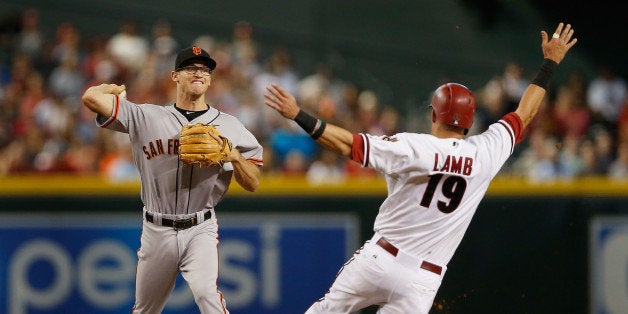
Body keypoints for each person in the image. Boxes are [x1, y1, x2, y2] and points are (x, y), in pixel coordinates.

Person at [264, 22, 576, 313]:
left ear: (434, 115)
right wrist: (550, 64)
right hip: (424, 279)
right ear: (469, 122)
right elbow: (525, 113)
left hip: (380, 259)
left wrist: (298, 115)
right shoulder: (486, 152)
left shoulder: (413, 146)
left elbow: (348, 145)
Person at [81, 46, 263, 313]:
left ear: (210, 79)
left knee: (207, 295)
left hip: (200, 226)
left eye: (204, 69)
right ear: (175, 76)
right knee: (145, 310)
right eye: (191, 68)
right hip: (157, 229)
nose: (198, 73)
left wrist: (234, 156)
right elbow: (90, 97)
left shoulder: (231, 126)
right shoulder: (147, 116)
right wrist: (112, 88)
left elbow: (253, 182)